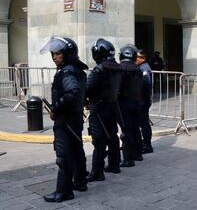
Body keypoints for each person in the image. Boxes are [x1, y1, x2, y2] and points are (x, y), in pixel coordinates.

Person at [40, 36, 88, 202]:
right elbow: (82, 93)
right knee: (76, 150)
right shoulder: (78, 70)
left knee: (63, 156)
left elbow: (73, 92)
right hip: (74, 118)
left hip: (66, 120)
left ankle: (64, 191)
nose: (55, 57)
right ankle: (80, 181)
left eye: (58, 53)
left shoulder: (67, 72)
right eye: (53, 54)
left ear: (67, 54)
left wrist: (55, 107)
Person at [85, 38, 122, 182]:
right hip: (112, 106)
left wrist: (86, 100)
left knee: (99, 140)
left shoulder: (99, 69)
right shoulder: (117, 67)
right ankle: (114, 164)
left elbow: (87, 88)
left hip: (99, 108)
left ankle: (97, 172)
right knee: (112, 136)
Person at [118, 44, 144, 167]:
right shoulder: (137, 69)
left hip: (124, 103)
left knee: (126, 131)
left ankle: (128, 159)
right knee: (135, 129)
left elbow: (117, 87)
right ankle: (138, 154)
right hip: (136, 103)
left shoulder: (120, 68)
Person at [136, 49, 153, 154]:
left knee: (144, 123)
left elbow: (146, 85)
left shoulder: (144, 69)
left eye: (137, 58)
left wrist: (142, 100)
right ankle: (144, 142)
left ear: (142, 58)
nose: (135, 60)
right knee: (142, 122)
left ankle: (147, 145)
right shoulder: (141, 67)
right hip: (142, 100)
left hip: (143, 100)